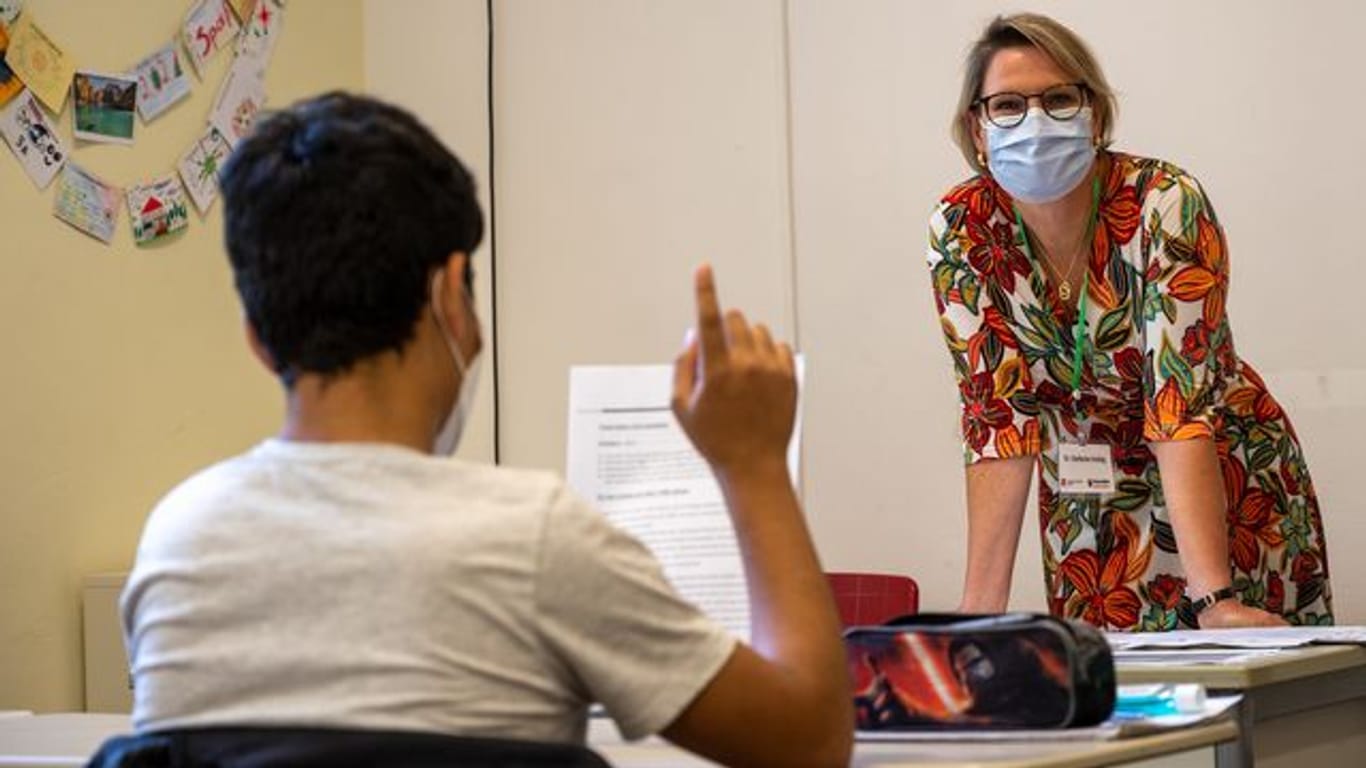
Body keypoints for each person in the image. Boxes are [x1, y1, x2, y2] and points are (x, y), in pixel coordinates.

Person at [119, 92, 852, 766]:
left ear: (257, 336)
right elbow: (811, 742)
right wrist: (752, 459)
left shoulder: (178, 540)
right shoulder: (534, 539)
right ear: (451, 297)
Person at [926, 14, 1332, 630]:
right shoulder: (962, 226)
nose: (1035, 121)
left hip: (1220, 484)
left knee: (1236, 689)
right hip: (1088, 505)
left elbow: (1178, 403)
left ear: (1096, 114)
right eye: (1008, 105)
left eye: (1059, 98)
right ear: (976, 129)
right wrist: (980, 614)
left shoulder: (1163, 201)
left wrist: (1215, 599)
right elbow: (996, 420)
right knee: (1109, 696)